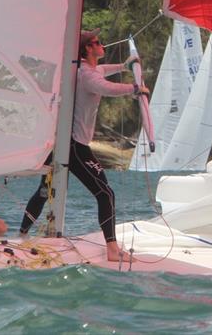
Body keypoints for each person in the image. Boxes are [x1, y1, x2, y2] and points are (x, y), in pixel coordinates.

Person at [20, 28, 148, 262]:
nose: (103, 46)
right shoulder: (87, 76)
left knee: (44, 190)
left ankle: (21, 234)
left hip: (63, 141)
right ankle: (111, 250)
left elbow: (103, 70)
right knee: (105, 194)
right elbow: (105, 87)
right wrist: (135, 89)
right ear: (88, 48)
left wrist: (125, 66)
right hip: (74, 146)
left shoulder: (86, 69)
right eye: (98, 43)